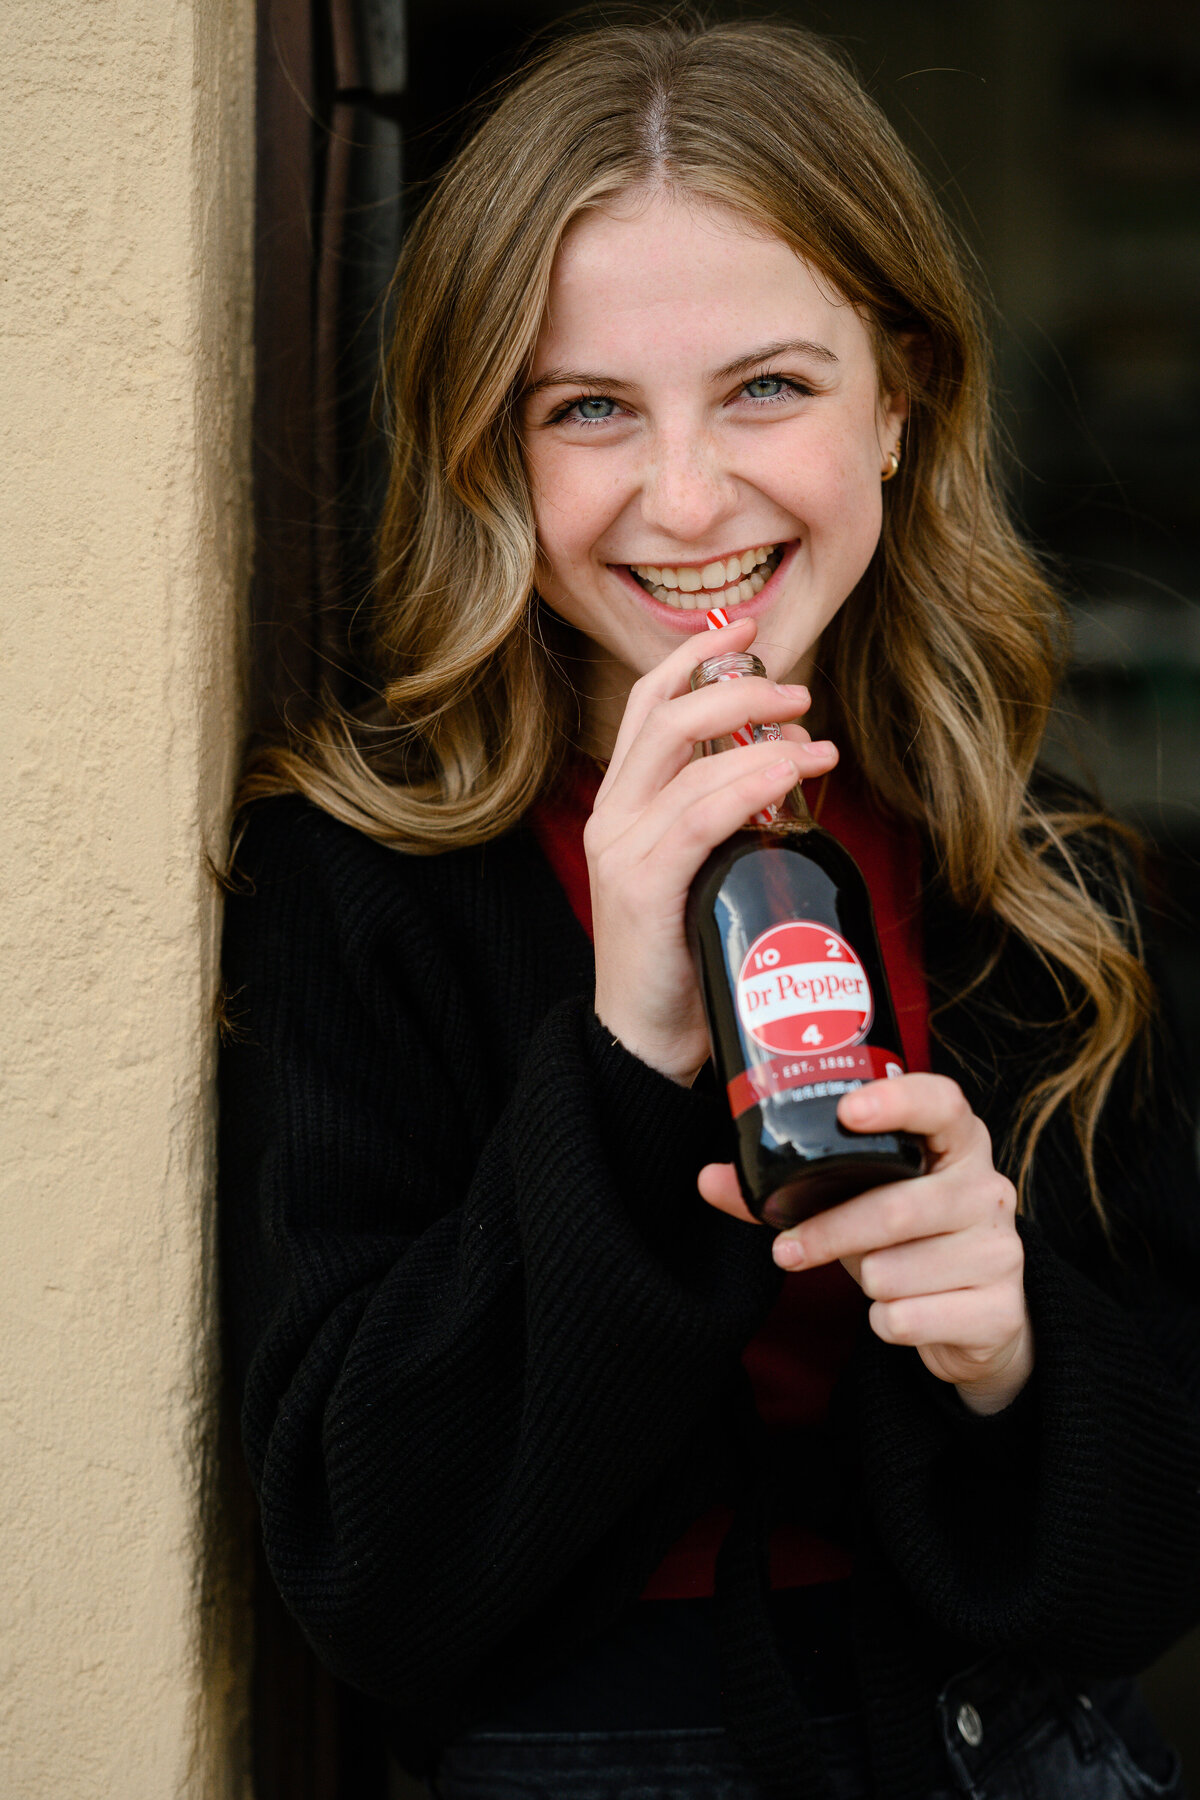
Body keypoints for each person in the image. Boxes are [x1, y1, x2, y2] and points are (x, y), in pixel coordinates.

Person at [219, 16, 1200, 1799]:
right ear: (487, 453)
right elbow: (369, 1568)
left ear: (900, 400)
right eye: (588, 408)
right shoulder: (364, 873)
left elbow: (1155, 1557)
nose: (688, 500)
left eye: (769, 387)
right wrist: (625, 1051)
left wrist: (1015, 1353)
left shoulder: (1036, 867)